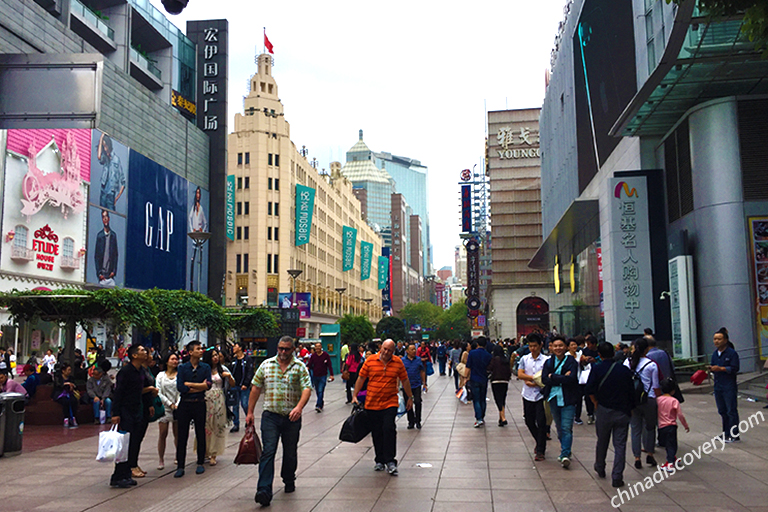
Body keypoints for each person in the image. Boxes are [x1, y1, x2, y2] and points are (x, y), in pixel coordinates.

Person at [247, 336, 312, 507]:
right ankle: (264, 490)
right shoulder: (267, 365)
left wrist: (299, 407)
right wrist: (250, 412)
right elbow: (255, 387)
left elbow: (306, 388)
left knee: (290, 451)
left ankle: (289, 478)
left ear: (293, 349)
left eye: (287, 349)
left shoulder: (299, 367)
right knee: (269, 450)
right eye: (281, 349)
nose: (283, 352)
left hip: (292, 417)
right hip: (271, 416)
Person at [352, 339, 412, 476]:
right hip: (372, 403)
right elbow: (361, 378)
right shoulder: (370, 360)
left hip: (390, 402)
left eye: (389, 350)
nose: (386, 352)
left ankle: (390, 460)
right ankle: (379, 459)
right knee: (377, 431)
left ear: (393, 351)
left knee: (389, 429)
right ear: (381, 348)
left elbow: (405, 380)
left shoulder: (398, 362)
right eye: (384, 349)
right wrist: (355, 395)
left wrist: (410, 397)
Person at [585, 342, 635, 488]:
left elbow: (589, 389)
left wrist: (595, 403)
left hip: (604, 410)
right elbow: (631, 392)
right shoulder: (624, 370)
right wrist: (631, 408)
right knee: (620, 445)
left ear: (599, 354)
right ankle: (617, 476)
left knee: (602, 441)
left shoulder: (597, 369)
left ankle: (600, 466)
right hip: (622, 411)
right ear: (613, 353)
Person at [110, 344, 147, 488]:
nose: (145, 352)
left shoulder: (141, 371)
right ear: (134, 355)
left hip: (137, 410)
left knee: (133, 443)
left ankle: (126, 474)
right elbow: (118, 393)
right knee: (123, 444)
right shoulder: (125, 372)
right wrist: (116, 413)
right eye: (142, 350)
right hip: (125, 411)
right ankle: (117, 476)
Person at [175, 340, 212, 478]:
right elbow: (181, 387)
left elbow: (208, 385)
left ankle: (200, 462)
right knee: (182, 435)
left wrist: (190, 385)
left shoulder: (205, 367)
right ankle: (180, 465)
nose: (201, 350)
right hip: (185, 404)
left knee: (200, 433)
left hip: (199, 403)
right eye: (197, 349)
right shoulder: (182, 368)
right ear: (190, 352)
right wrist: (198, 386)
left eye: (201, 348)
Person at [542, 336, 580, 468]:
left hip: (568, 399)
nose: (558, 348)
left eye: (561, 346)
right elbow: (544, 379)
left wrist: (553, 377)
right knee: (559, 427)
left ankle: (565, 454)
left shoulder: (572, 362)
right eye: (555, 346)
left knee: (566, 427)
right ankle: (565, 449)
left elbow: (572, 379)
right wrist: (563, 377)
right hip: (553, 398)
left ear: (566, 347)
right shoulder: (548, 362)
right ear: (551, 347)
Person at [625, 337, 661, 469]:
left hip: (633, 400)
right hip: (649, 399)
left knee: (635, 429)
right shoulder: (651, 365)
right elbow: (656, 386)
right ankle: (650, 454)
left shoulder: (627, 363)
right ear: (647, 349)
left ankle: (637, 457)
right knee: (650, 427)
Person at [518, 333, 549, 461]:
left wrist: (537, 381)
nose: (533, 349)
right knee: (529, 421)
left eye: (535, 346)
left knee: (541, 422)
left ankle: (540, 450)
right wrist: (532, 378)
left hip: (541, 395)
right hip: (527, 394)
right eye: (530, 346)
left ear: (540, 345)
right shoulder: (525, 359)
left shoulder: (546, 360)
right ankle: (539, 440)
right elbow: (520, 374)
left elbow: (547, 376)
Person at [200, 348, 233, 466]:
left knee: (217, 425)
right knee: (205, 425)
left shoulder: (223, 369)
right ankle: (204, 450)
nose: (216, 358)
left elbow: (233, 384)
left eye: (217, 355)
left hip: (219, 398)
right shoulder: (204, 369)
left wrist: (228, 376)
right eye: (213, 355)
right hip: (206, 398)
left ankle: (214, 453)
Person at [708, 327, 740, 442]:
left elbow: (735, 368)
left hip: (728, 385)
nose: (716, 341)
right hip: (718, 385)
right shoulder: (715, 354)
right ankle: (726, 433)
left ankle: (734, 434)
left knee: (731, 410)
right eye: (715, 339)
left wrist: (721, 368)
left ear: (725, 340)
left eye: (719, 339)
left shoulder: (732, 353)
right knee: (722, 410)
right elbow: (713, 366)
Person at [657, 378, 690, 472]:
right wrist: (685, 425)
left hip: (661, 426)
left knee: (667, 444)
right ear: (673, 391)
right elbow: (680, 415)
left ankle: (672, 459)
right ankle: (670, 463)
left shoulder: (658, 400)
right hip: (671, 425)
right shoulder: (674, 401)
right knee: (672, 444)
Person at [156, 352, 180, 471]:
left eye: (176, 359)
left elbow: (181, 389)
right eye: (172, 359)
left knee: (177, 434)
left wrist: (177, 404)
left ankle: (178, 456)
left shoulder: (180, 375)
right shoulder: (160, 375)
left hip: (177, 407)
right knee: (163, 433)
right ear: (167, 361)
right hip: (164, 407)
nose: (175, 361)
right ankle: (161, 458)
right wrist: (169, 403)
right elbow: (158, 391)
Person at [466, 337, 493, 427]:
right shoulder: (488, 355)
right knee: (482, 398)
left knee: (476, 399)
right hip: (484, 379)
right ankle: (482, 416)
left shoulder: (472, 353)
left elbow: (468, 366)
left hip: (474, 378)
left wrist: (466, 377)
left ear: (477, 344)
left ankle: (479, 418)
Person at [228, 341, 254, 433]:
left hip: (243, 386)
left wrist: (246, 384)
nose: (233, 348)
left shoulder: (247, 359)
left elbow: (250, 372)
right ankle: (236, 424)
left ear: (240, 347)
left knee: (245, 404)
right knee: (235, 406)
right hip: (234, 386)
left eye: (235, 346)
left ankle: (249, 419)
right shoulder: (233, 360)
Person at [97, 132, 126, 211]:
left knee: (111, 216)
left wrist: (116, 198)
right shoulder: (105, 158)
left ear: (109, 145)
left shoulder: (116, 160)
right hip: (103, 192)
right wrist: (100, 140)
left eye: (106, 146)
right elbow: (99, 157)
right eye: (103, 146)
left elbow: (123, 182)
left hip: (111, 195)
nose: (105, 149)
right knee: (101, 214)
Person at [401, 342, 426, 429]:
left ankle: (418, 420)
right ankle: (411, 421)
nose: (414, 351)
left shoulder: (418, 360)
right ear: (407, 351)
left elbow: (422, 371)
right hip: (406, 386)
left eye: (414, 349)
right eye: (412, 349)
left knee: (418, 402)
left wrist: (424, 383)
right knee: (408, 404)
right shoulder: (403, 361)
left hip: (417, 384)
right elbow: (399, 374)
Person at [489, 344, 512, 427]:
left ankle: (503, 417)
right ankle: (501, 418)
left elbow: (489, 368)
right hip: (504, 381)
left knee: (497, 399)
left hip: (496, 381)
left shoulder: (494, 360)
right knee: (502, 399)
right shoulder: (505, 360)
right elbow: (509, 371)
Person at [307, 342, 334, 412]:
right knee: (317, 391)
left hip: (323, 376)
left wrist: (331, 374)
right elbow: (309, 364)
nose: (317, 348)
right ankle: (321, 402)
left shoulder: (325, 355)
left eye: (319, 346)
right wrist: (306, 368)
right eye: (316, 347)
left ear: (321, 347)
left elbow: (329, 365)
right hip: (315, 376)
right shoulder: (313, 356)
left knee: (320, 390)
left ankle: (318, 405)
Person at [95, 209, 119, 287]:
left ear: (109, 218)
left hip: (110, 276)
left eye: (106, 216)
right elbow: (97, 256)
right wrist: (99, 274)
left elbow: (115, 255)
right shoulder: (100, 236)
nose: (105, 219)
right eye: (103, 217)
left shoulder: (113, 235)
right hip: (102, 277)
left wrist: (114, 272)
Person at [580, 335, 600, 424]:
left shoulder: (599, 350)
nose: (588, 346)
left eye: (589, 344)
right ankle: (590, 414)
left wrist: (595, 360)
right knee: (588, 395)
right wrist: (584, 359)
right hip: (588, 375)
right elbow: (582, 362)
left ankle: (597, 412)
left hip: (598, 375)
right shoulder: (585, 351)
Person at [52, 362, 79, 428]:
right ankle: (66, 418)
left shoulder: (71, 378)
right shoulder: (58, 377)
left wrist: (72, 387)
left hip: (70, 393)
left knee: (73, 400)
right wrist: (65, 384)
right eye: (68, 370)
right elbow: (58, 385)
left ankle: (73, 417)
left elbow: (75, 385)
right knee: (65, 401)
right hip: (60, 394)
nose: (69, 372)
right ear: (63, 371)